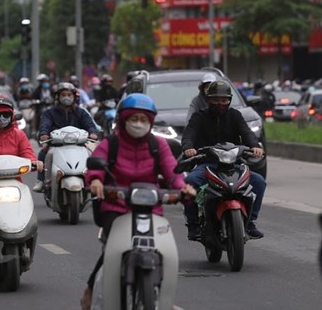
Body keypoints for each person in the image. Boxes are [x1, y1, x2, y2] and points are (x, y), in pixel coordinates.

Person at [80, 93, 196, 310]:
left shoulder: (158, 144)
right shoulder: (110, 143)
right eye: (134, 119)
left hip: (150, 206)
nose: (139, 124)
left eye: (144, 119)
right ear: (124, 119)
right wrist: (95, 180)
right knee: (112, 249)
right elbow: (96, 167)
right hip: (116, 206)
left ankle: (163, 297)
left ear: (150, 122)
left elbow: (172, 172)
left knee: (163, 249)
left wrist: (183, 188)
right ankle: (90, 287)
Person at [181, 81, 266, 239]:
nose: (220, 104)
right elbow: (189, 135)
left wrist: (255, 146)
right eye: (216, 100)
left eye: (224, 100)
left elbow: (247, 133)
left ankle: (251, 221)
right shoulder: (199, 117)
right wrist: (188, 148)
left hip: (234, 164)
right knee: (190, 182)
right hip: (207, 164)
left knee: (259, 182)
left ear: (229, 100)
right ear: (208, 100)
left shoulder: (235, 115)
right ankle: (193, 224)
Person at [33, 82, 99, 192]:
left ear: (74, 97)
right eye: (63, 95)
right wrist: (44, 134)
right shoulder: (50, 113)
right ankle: (43, 181)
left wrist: (93, 132)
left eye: (69, 95)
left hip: (79, 144)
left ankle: (92, 180)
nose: (66, 97)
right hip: (56, 144)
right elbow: (45, 124)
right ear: (57, 97)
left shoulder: (81, 112)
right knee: (45, 153)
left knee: (91, 155)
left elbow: (90, 124)